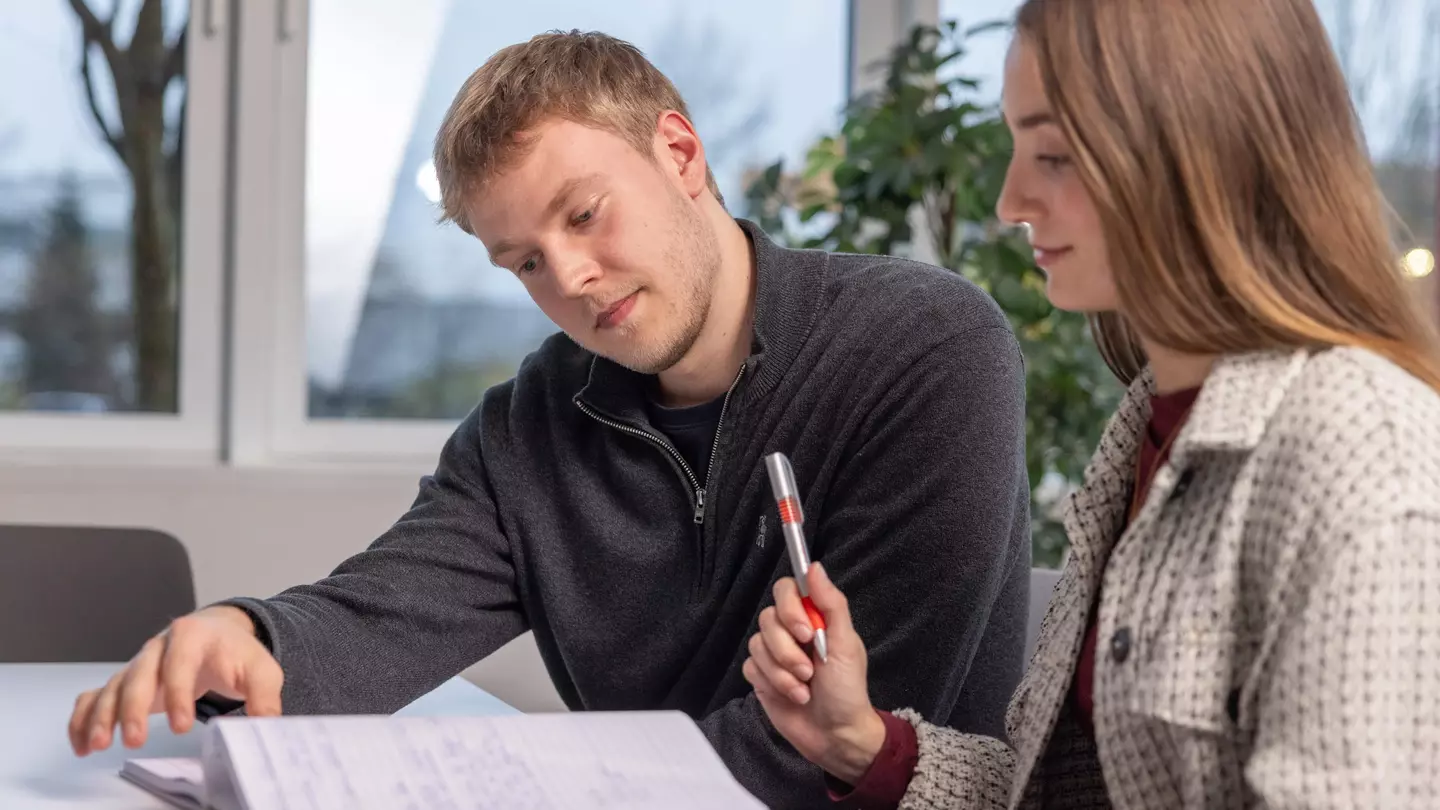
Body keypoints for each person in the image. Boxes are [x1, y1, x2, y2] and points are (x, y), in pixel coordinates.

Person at [67, 29, 1033, 807]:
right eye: (524, 261)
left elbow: (858, 737)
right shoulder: (527, 428)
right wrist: (252, 637)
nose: (567, 278)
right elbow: (386, 614)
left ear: (680, 154)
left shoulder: (923, 348)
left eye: (582, 215)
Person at [742, 0, 1440, 807]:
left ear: (1200, 151)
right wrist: (864, 747)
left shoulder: (1362, 459)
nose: (1010, 202)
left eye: (1055, 155)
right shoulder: (1151, 426)